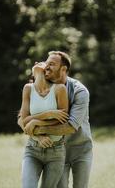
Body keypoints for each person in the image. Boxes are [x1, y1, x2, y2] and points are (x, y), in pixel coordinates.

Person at [30, 51, 93, 188]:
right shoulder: (41, 87)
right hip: (57, 152)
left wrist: (38, 128)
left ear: (63, 69)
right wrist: (38, 134)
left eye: (51, 64)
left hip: (81, 150)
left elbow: (70, 127)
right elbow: (22, 118)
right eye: (46, 63)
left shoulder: (80, 91)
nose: (46, 67)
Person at [17, 62, 69, 188]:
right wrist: (48, 114)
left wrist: (35, 122)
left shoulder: (59, 89)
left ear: (47, 71)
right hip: (33, 149)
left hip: (55, 151)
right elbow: (24, 121)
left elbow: (63, 119)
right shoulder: (28, 88)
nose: (36, 63)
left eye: (42, 63)